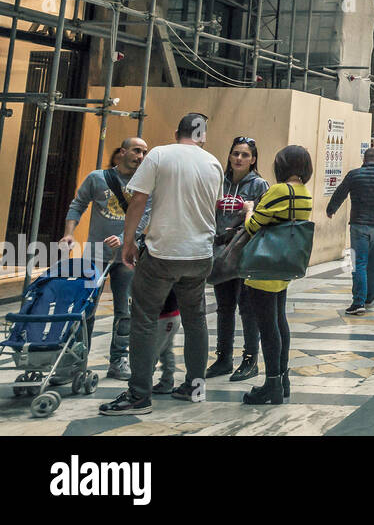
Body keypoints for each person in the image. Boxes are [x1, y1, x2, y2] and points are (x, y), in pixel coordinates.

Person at [100, 113, 223, 417]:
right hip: (199, 256)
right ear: (203, 136)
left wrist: (129, 242)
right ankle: (194, 387)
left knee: (143, 320)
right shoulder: (213, 163)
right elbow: (212, 207)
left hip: (163, 254)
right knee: (195, 321)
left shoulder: (159, 155)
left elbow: (138, 201)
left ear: (176, 131)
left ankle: (139, 395)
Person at [62, 136, 150, 382]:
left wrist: (123, 238)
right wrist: (69, 233)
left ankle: (118, 360)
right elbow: (77, 204)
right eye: (136, 151)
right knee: (85, 307)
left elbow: (144, 217)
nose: (141, 156)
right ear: (122, 152)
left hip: (127, 256)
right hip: (95, 255)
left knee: (124, 310)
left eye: (144, 152)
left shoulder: (146, 184)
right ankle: (77, 360)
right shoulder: (97, 178)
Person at [241, 144, 314, 406]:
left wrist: (249, 209)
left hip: (264, 266)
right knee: (280, 321)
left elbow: (253, 226)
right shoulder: (304, 192)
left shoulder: (279, 190)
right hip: (283, 266)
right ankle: (282, 380)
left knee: (267, 326)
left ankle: (271, 385)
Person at [207, 136, 269, 383]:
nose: (239, 158)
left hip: (245, 252)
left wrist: (248, 213)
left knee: (247, 308)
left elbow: (263, 220)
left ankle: (250, 360)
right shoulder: (219, 182)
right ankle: (223, 358)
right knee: (224, 307)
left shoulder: (259, 185)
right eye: (235, 153)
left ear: (253, 160)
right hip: (220, 253)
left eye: (245, 155)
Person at [326, 146, 374, 315]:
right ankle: (371, 294)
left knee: (359, 264)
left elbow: (340, 193)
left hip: (359, 225)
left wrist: (331, 209)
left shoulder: (354, 175)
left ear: (364, 160)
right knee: (373, 263)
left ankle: (358, 302)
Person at [145, 288, 180, 395]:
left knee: (151, 352)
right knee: (166, 350)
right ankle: (167, 381)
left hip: (163, 318)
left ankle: (142, 384)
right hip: (173, 316)